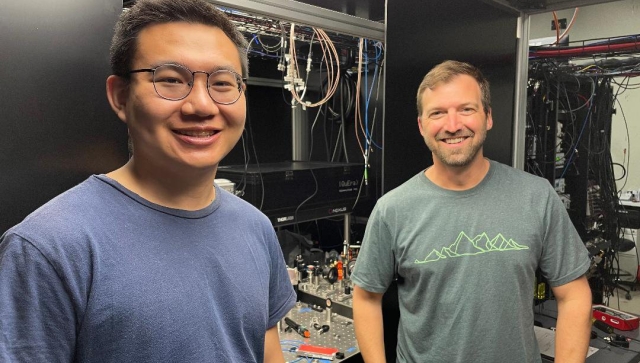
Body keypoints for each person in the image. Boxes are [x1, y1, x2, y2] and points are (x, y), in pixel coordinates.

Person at [0, 0, 296, 362]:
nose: (201, 105)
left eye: (222, 83)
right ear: (120, 97)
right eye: (171, 80)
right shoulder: (50, 247)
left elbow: (267, 353)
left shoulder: (256, 228)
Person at [351, 60, 592, 363]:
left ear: (488, 117)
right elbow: (365, 297)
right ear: (422, 125)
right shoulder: (393, 210)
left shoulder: (536, 196)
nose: (452, 125)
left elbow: (574, 295)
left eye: (466, 109)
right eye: (437, 113)